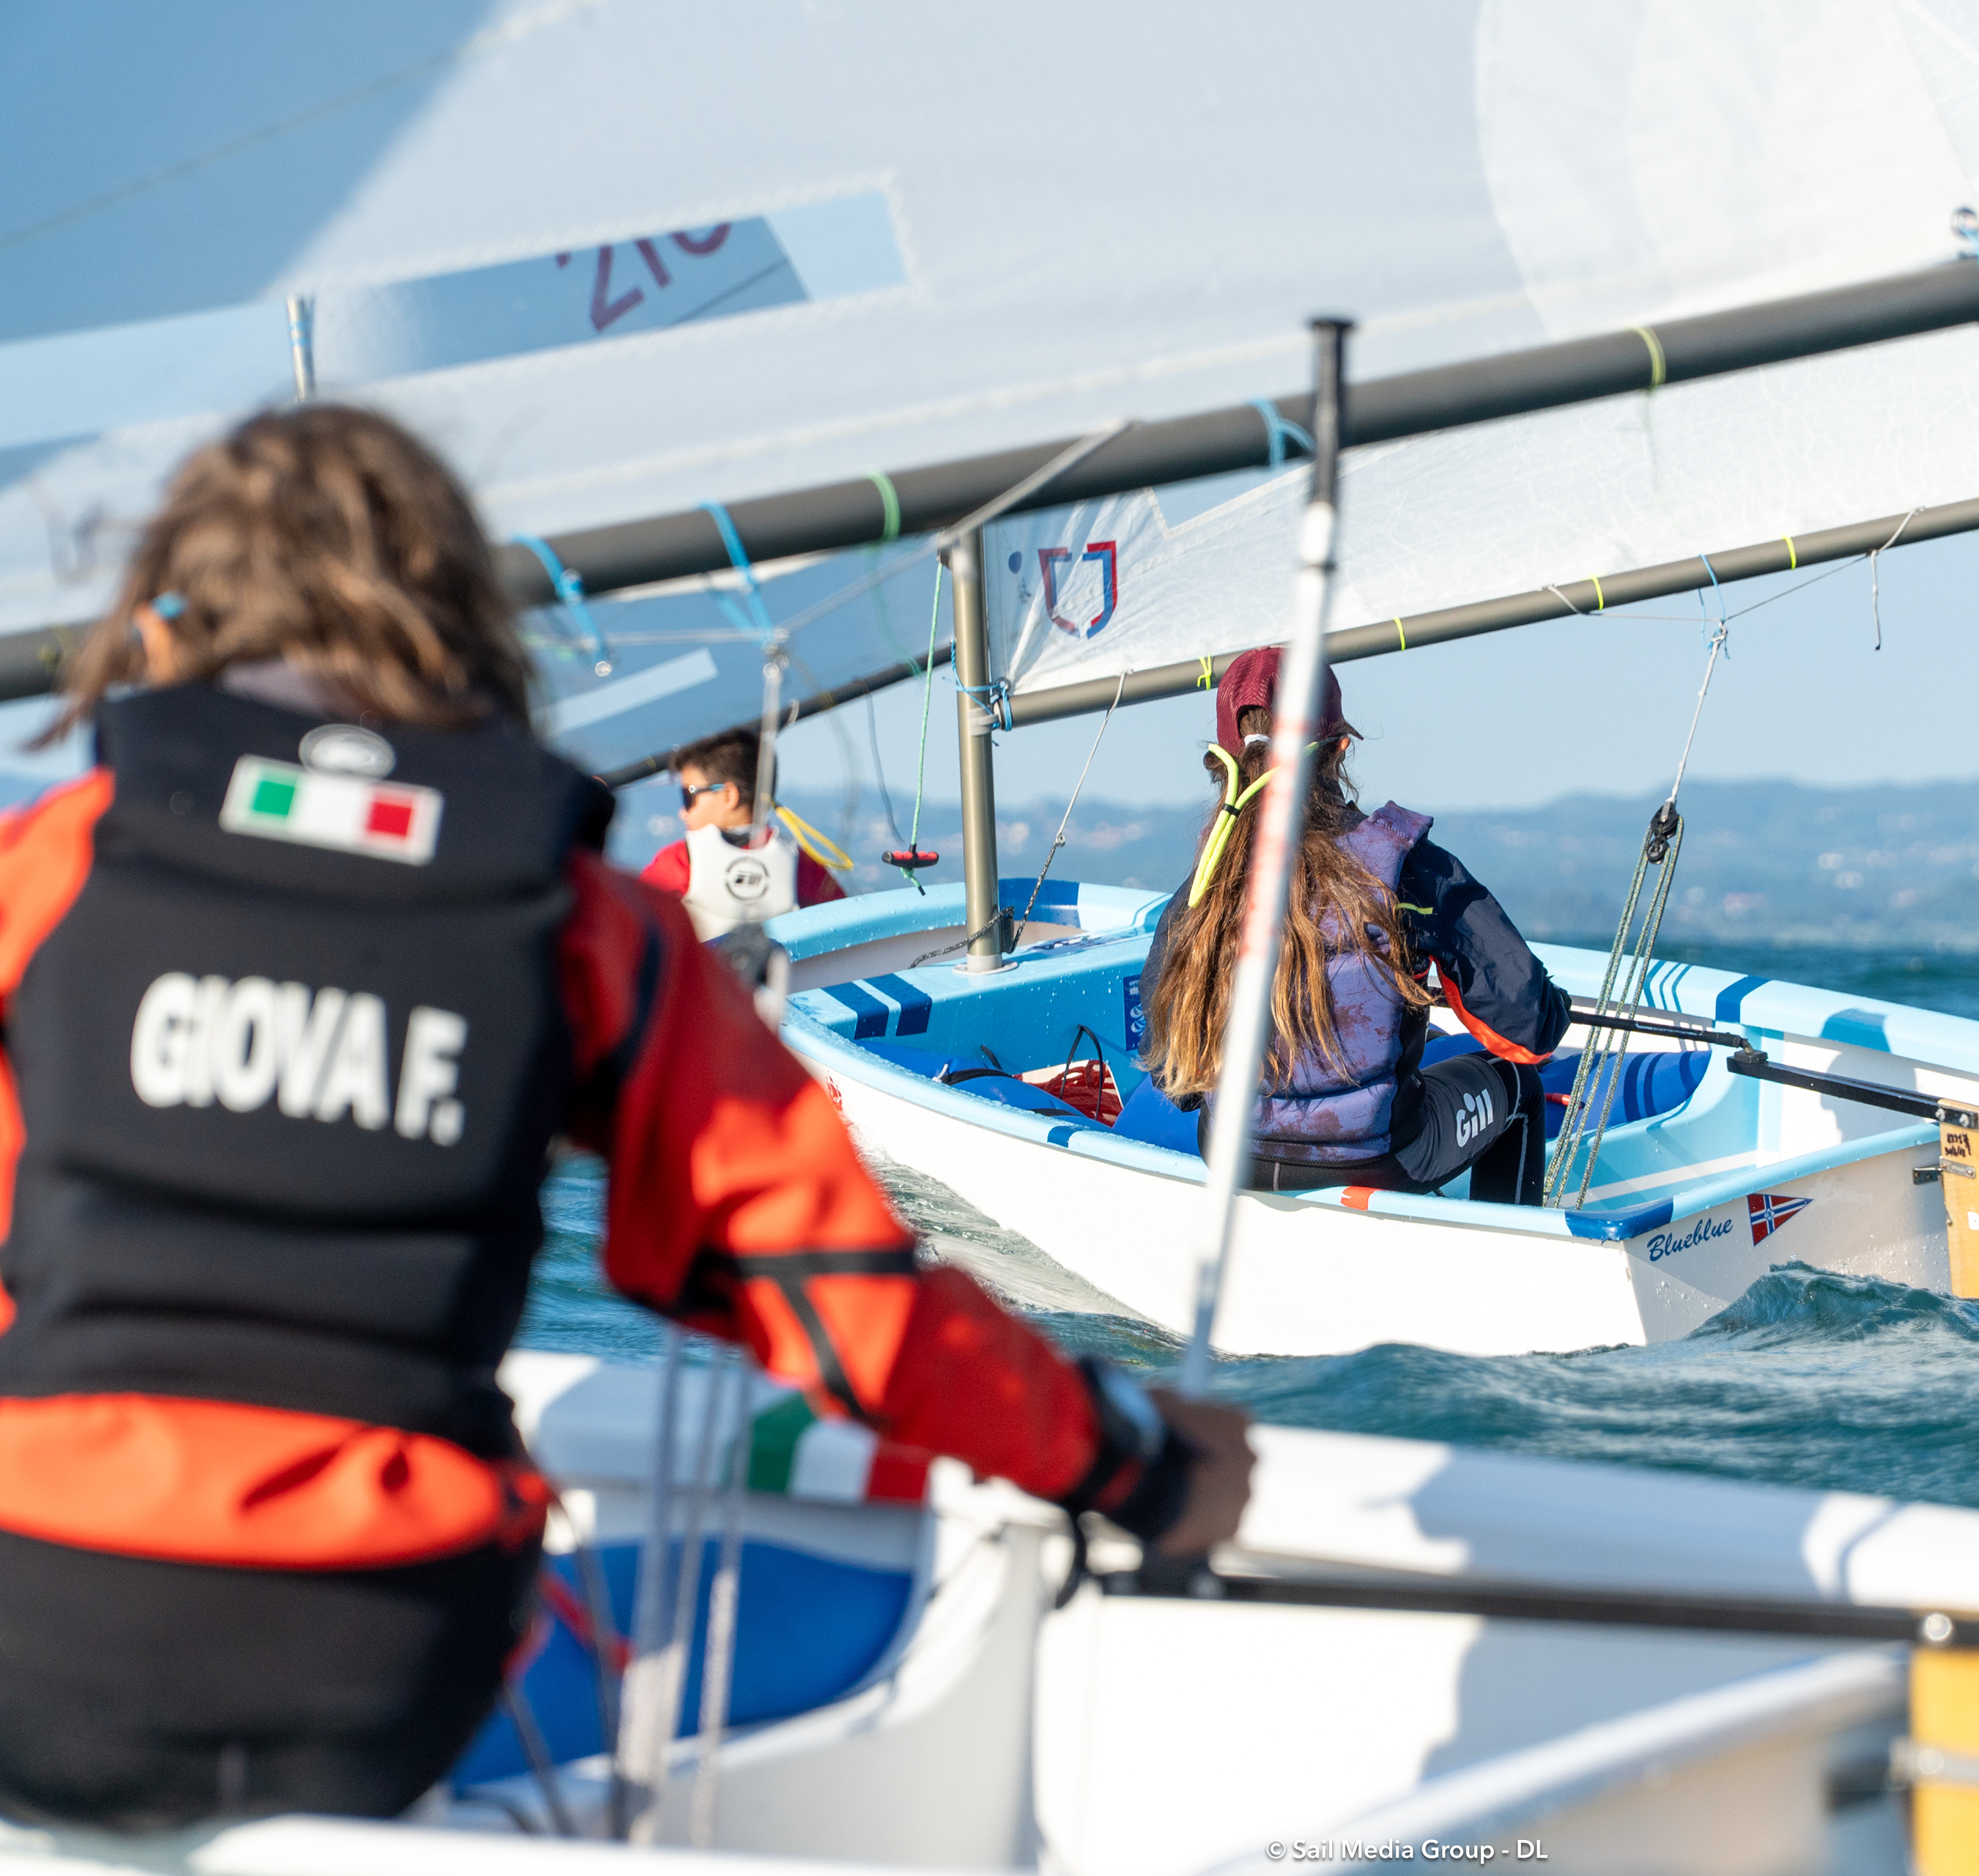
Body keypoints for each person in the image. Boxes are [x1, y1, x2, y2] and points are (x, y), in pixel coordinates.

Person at [0, 406, 1251, 1831]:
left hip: (31, 1633)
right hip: (373, 1661)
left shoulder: (39, 878)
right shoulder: (584, 924)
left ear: (164, 624)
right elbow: (843, 1303)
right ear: (459, 620)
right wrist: (1142, 1460)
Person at [1139, 648, 1568, 1200]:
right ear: (1340, 748)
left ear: (1223, 762)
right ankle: (1498, 1251)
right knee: (1521, 1086)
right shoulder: (1409, 867)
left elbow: (1171, 1075)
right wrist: (1553, 1007)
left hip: (1233, 1156)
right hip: (1378, 1159)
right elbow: (1527, 1029)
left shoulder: (1203, 889)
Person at [639, 728, 844, 939]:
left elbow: (632, 919)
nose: (683, 812)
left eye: (688, 796)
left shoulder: (678, 860)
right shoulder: (803, 864)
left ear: (728, 796)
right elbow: (843, 928)